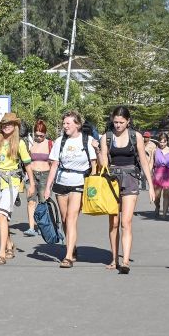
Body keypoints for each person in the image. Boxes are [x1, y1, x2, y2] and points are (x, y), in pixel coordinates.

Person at [99, 106, 155, 274]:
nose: (118, 125)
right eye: (115, 122)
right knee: (114, 222)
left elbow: (144, 162)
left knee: (126, 222)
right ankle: (114, 259)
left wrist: (151, 186)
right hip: (112, 180)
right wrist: (99, 151)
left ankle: (125, 261)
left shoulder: (135, 136)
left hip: (130, 179)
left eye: (121, 122)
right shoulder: (106, 137)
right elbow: (103, 164)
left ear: (128, 121)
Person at [44, 111, 97, 268]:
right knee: (65, 219)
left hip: (79, 182)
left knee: (72, 217)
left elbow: (94, 165)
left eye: (68, 123)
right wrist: (48, 187)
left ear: (77, 125)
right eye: (64, 123)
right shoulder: (59, 141)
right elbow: (53, 165)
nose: (65, 126)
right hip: (61, 182)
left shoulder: (87, 140)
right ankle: (71, 247)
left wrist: (92, 185)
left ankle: (67, 256)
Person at [0, 112, 35, 265]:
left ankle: (1, 254)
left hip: (11, 181)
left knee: (1, 216)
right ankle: (9, 244)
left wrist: (31, 183)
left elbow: (27, 164)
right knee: (1, 217)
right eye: (4, 124)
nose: (6, 126)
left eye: (10, 124)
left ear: (15, 126)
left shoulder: (19, 143)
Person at [24, 120, 53, 237]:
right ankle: (31, 227)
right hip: (31, 174)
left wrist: (51, 181)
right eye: (37, 135)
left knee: (43, 201)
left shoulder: (50, 144)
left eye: (41, 135)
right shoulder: (30, 144)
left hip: (45, 175)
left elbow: (54, 163)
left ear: (45, 134)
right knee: (31, 201)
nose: (39, 137)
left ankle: (42, 226)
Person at [151, 132, 169, 219]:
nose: (162, 144)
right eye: (160, 142)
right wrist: (149, 175)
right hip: (157, 175)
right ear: (158, 141)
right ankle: (157, 206)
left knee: (166, 195)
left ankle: (164, 214)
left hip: (168, 175)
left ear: (167, 142)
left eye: (164, 142)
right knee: (157, 196)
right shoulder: (155, 151)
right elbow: (151, 164)